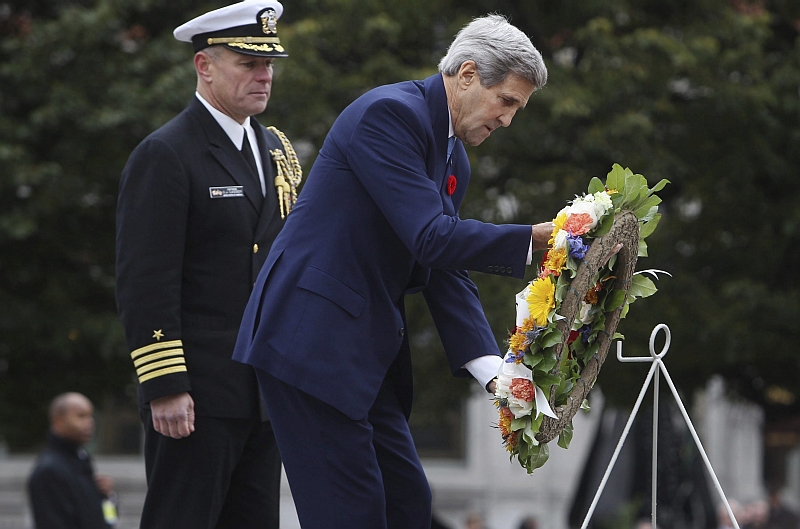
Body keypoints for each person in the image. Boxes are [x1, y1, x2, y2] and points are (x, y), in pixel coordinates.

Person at [233, 13, 563, 529]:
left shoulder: (454, 158)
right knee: (353, 512)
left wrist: (495, 374)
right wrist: (535, 241)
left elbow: (444, 264)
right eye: (507, 102)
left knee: (406, 502)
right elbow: (432, 236)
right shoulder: (389, 114)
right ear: (469, 74)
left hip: (359, 349)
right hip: (310, 339)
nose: (507, 120)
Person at [115, 1, 302, 528]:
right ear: (205, 66)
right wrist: (166, 384)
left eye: (268, 65)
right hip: (195, 394)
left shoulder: (277, 150)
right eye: (248, 63)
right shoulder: (167, 153)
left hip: (263, 389)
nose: (264, 76)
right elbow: (144, 279)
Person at [27, 392, 117, 529]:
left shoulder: (80, 460)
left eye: (90, 416)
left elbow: (109, 520)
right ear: (58, 421)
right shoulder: (49, 471)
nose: (90, 422)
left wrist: (108, 498)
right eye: (81, 416)